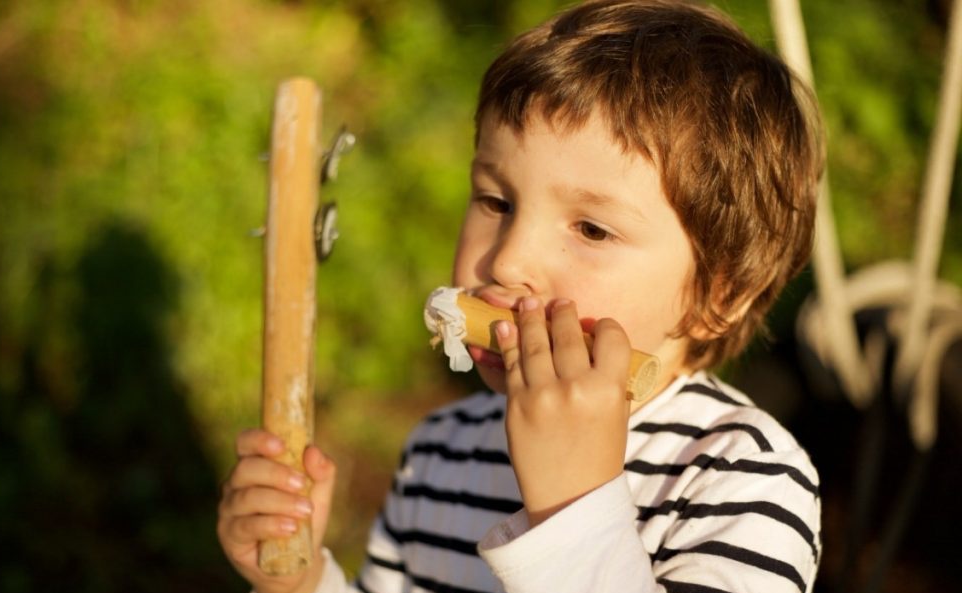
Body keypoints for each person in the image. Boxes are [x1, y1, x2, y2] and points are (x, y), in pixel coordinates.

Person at [217, 1, 824, 591]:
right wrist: (300, 583)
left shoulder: (746, 479)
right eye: (496, 201)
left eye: (591, 229)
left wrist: (573, 505)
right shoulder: (440, 452)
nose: (507, 261)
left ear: (720, 296)